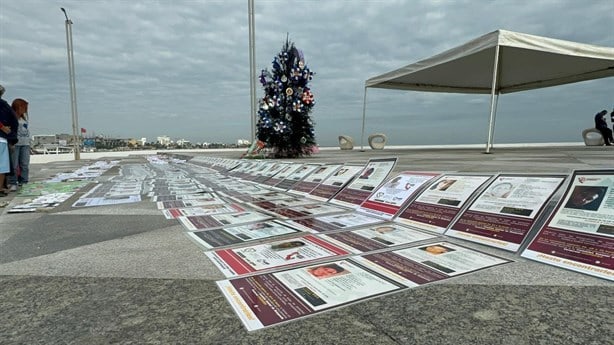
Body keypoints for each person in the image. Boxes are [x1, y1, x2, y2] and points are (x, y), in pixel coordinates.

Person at [0, 84, 18, 196]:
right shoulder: (3, 105)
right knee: (2, 165)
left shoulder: (4, 105)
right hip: (2, 138)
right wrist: (3, 127)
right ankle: (0, 188)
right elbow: (13, 120)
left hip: (3, 137)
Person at [9, 98, 30, 186]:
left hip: (25, 144)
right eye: (24, 108)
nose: (25, 110)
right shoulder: (11, 117)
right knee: (14, 164)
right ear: (18, 107)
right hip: (15, 144)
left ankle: (24, 181)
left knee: (24, 164)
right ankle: (13, 182)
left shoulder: (23, 119)